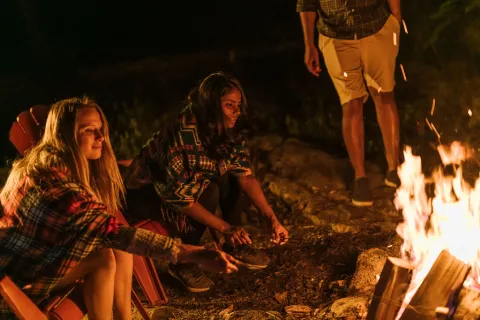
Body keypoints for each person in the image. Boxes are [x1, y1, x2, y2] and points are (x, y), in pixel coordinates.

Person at [0, 97, 238, 320]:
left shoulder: (42, 160)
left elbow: (108, 229)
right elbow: (114, 234)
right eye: (89, 130)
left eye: (101, 128)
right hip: (18, 282)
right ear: (65, 137)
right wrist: (192, 252)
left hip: (37, 257)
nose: (101, 136)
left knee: (114, 245)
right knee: (103, 257)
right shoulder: (56, 185)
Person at [122, 72, 289, 293]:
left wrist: (271, 218)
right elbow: (180, 198)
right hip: (148, 195)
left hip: (186, 188)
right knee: (207, 189)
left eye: (238, 105)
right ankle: (184, 263)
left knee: (229, 175)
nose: (237, 112)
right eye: (229, 105)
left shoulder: (227, 129)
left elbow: (245, 175)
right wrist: (225, 227)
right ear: (210, 105)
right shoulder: (183, 136)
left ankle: (235, 245)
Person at [297, 0, 402, 206]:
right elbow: (307, 4)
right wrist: (309, 45)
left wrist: (396, 19)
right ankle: (360, 177)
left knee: (384, 95)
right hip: (335, 36)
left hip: (377, 27)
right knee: (351, 102)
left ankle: (394, 169)